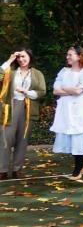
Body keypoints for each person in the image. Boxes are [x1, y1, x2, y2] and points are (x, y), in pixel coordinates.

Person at [0, 48, 47, 179]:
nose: (21, 59)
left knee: (23, 139)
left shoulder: (37, 74)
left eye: (23, 56)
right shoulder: (11, 72)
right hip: (10, 107)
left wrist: (26, 92)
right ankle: (2, 170)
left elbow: (42, 91)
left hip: (28, 108)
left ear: (30, 57)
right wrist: (10, 60)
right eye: (19, 57)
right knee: (5, 138)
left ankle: (17, 169)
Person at [50, 46, 83, 179]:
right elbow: (55, 90)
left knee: (78, 134)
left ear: (79, 56)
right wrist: (70, 89)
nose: (67, 57)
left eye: (70, 55)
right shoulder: (64, 71)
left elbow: (79, 91)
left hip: (80, 108)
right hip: (65, 108)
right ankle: (81, 161)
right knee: (69, 135)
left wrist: (65, 89)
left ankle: (79, 165)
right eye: (67, 54)